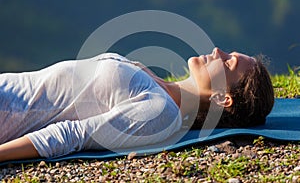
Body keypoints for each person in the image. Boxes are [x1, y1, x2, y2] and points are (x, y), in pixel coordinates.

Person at [0, 47, 274, 162]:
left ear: (222, 98)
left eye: (227, 63)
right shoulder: (157, 84)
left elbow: (70, 136)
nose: (217, 51)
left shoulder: (162, 113)